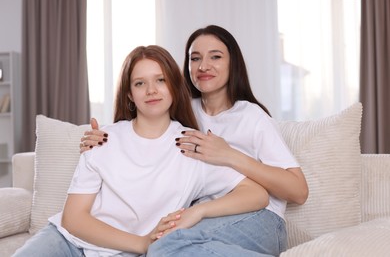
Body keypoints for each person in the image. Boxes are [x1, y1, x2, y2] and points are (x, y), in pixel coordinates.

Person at [13, 45, 269, 257]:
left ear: (173, 87)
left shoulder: (191, 146)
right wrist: (142, 243)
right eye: (139, 83)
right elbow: (73, 219)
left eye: (160, 80)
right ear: (129, 94)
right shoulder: (104, 139)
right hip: (69, 242)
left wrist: (198, 211)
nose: (151, 90)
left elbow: (256, 194)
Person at [80, 25, 309, 256]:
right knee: (161, 243)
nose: (203, 66)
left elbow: (298, 191)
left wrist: (229, 156)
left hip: (259, 217)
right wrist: (101, 140)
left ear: (233, 64)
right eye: (195, 58)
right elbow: (140, 128)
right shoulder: (184, 109)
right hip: (203, 217)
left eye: (215, 57)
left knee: (166, 245)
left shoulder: (251, 116)